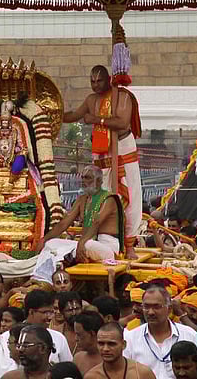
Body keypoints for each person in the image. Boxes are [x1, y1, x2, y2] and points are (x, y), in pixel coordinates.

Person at [62, 66, 142, 258]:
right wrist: (53, 114)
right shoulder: (91, 99)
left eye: (99, 81)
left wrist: (97, 120)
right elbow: (73, 115)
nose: (95, 84)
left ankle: (129, 244)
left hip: (122, 151)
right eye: (92, 81)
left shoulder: (121, 96)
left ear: (108, 79)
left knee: (129, 197)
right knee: (101, 199)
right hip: (101, 154)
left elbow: (122, 123)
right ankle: (99, 241)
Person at [124, 286, 197, 379]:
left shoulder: (189, 335)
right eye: (146, 307)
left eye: (156, 307)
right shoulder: (130, 337)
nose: (150, 312)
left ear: (169, 309)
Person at [41, 165, 123, 261]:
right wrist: (44, 240)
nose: (83, 181)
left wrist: (82, 242)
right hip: (86, 242)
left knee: (88, 245)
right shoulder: (82, 199)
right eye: (82, 177)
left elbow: (97, 222)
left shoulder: (109, 199)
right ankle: (69, 255)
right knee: (51, 243)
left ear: (99, 181)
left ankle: (67, 256)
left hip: (107, 247)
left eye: (88, 178)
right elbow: (64, 223)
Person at [84, 323, 156, 379]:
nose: (105, 349)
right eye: (101, 344)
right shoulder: (92, 376)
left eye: (111, 344)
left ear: (123, 344)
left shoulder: (142, 373)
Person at [20, 290, 71, 363]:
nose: (50, 317)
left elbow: (68, 369)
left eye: (51, 312)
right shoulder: (9, 338)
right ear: (31, 312)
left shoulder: (59, 338)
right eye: (46, 312)